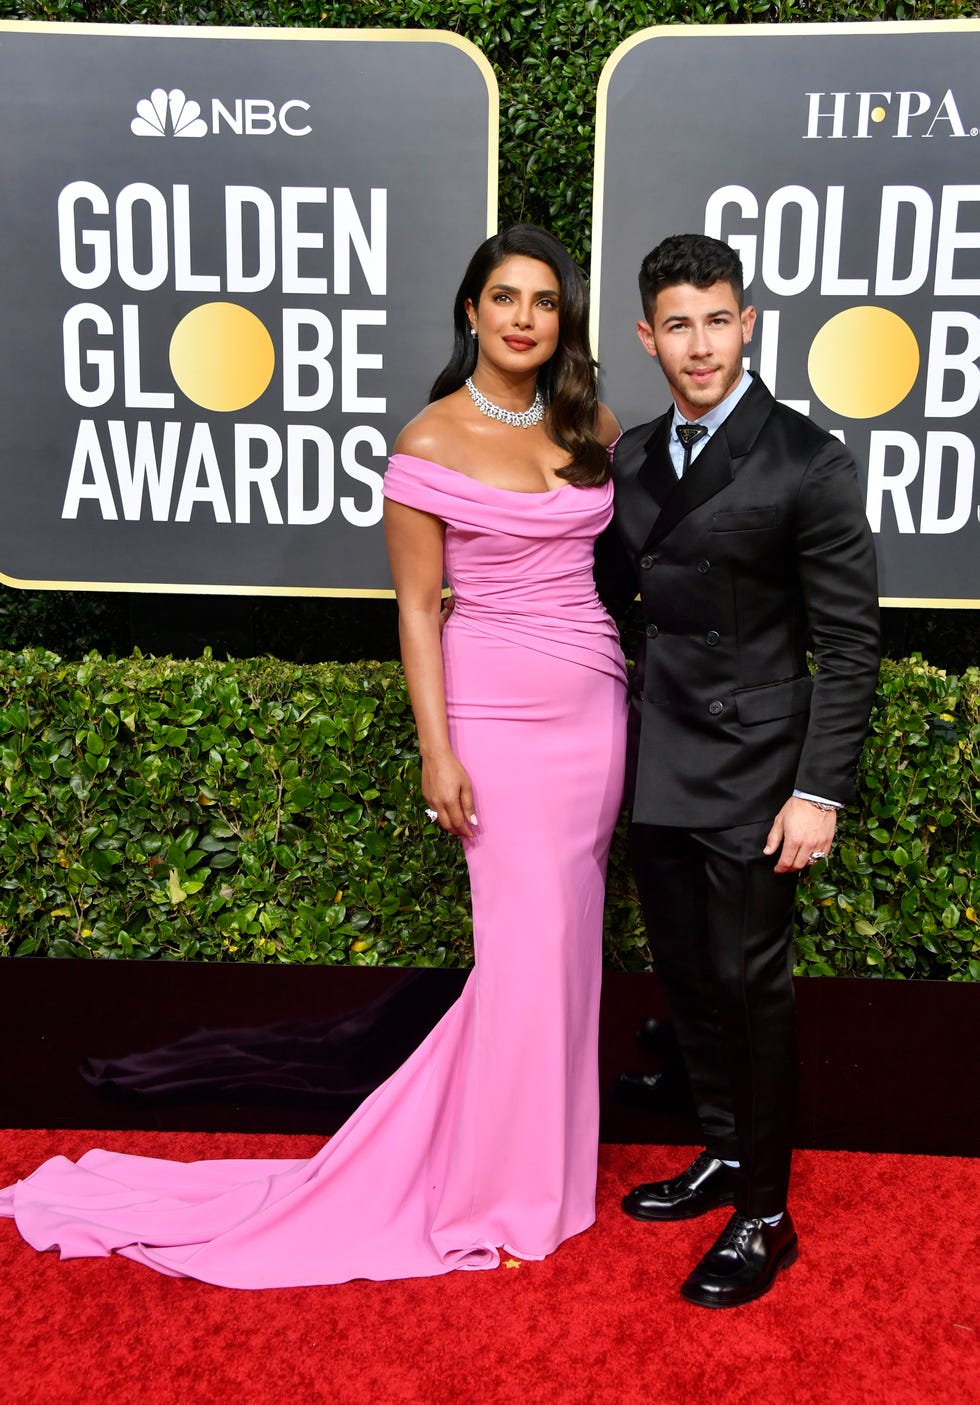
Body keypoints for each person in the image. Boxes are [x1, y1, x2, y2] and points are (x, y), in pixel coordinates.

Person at [0, 225, 627, 1288]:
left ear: (560, 321)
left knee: (566, 953)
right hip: (494, 718)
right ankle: (488, 1188)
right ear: (469, 312)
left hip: (594, 713)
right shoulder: (425, 443)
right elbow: (418, 611)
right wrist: (437, 749)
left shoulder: (589, 424)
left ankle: (549, 1174)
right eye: (504, 297)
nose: (524, 317)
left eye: (544, 301)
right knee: (521, 954)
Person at [599, 233, 880, 1308]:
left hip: (759, 776)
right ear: (647, 336)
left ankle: (764, 1211)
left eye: (717, 319)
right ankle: (720, 1148)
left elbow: (848, 642)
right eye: (677, 323)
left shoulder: (805, 458)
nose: (698, 343)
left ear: (747, 323)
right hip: (658, 759)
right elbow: (615, 594)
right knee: (686, 979)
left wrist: (817, 792)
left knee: (751, 989)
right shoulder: (631, 458)